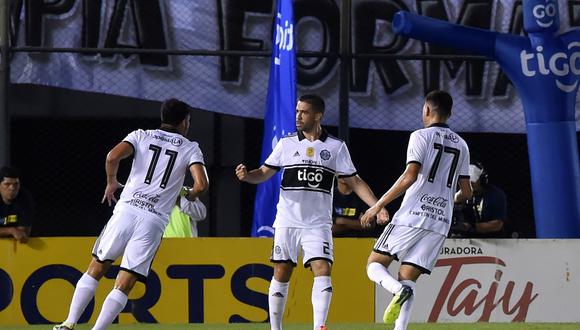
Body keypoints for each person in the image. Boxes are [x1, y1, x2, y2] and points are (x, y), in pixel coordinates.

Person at [54, 98, 209, 330]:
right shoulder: (189, 147)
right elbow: (202, 184)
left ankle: (68, 323)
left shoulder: (140, 135)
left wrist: (111, 182)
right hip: (153, 220)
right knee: (125, 281)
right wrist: (188, 194)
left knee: (97, 266)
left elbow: (112, 157)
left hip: (126, 210)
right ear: (185, 122)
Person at [236, 94, 386, 330]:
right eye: (297, 111)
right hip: (287, 221)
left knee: (323, 268)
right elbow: (264, 172)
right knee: (281, 270)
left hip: (318, 224)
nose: (298, 116)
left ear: (317, 115)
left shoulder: (336, 147)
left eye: (303, 112)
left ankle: (319, 327)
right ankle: (275, 328)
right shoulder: (286, 144)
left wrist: (377, 206)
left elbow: (355, 181)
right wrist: (248, 176)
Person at [361, 90, 472, 330]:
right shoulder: (462, 145)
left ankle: (396, 290)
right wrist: (449, 200)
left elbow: (410, 175)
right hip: (440, 220)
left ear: (427, 110)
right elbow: (467, 191)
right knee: (408, 276)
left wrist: (378, 205)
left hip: (412, 214)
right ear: (450, 112)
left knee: (374, 265)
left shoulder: (420, 136)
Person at [450, 161, 507, 238]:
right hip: (468, 238)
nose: (469, 184)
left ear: (482, 180)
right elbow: (453, 200)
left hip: (492, 239)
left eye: (472, 182)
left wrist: (471, 227)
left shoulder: (496, 195)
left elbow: (497, 225)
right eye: (467, 182)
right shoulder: (465, 192)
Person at [0, 166, 34, 244]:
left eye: (16, 184)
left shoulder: (24, 197)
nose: (12, 188)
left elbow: (22, 234)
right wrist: (11, 230)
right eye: (7, 184)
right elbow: (16, 232)